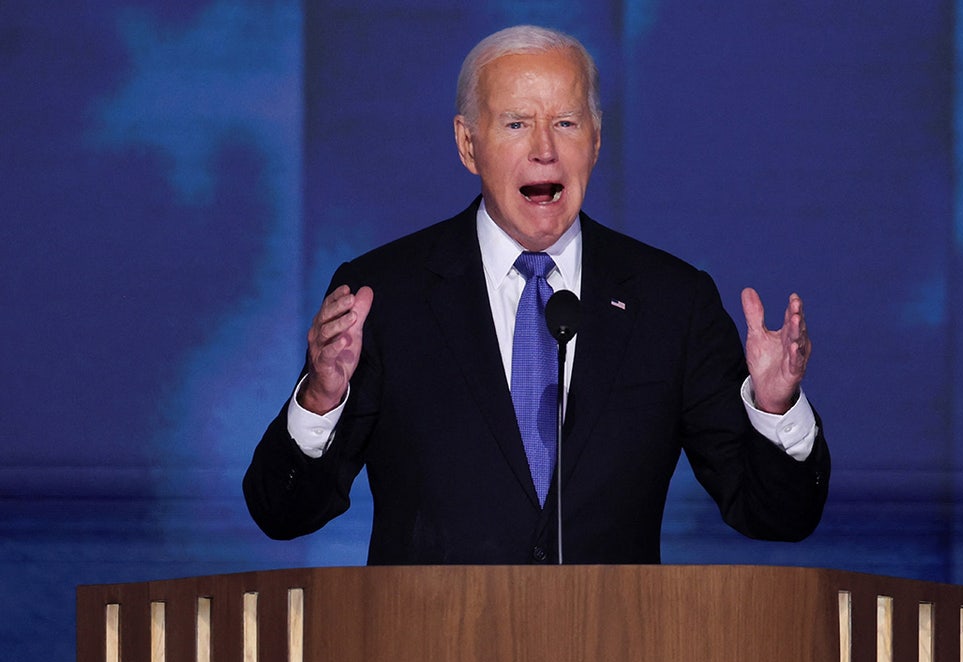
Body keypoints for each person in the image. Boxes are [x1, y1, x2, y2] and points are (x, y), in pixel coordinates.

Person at [243, 25, 830, 564]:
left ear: (596, 141)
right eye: (517, 123)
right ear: (468, 144)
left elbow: (776, 516)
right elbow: (284, 513)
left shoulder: (672, 303)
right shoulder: (386, 296)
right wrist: (321, 400)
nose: (544, 149)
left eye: (567, 123)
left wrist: (775, 409)